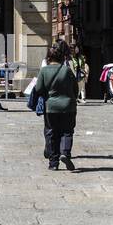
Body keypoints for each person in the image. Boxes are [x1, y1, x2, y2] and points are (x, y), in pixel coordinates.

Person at [33, 42, 78, 171]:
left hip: (51, 107)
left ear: (48, 57)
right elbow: (75, 89)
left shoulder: (44, 70)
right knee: (67, 131)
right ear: (61, 57)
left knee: (51, 132)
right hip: (68, 106)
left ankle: (53, 163)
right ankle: (65, 153)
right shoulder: (67, 70)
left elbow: (39, 89)